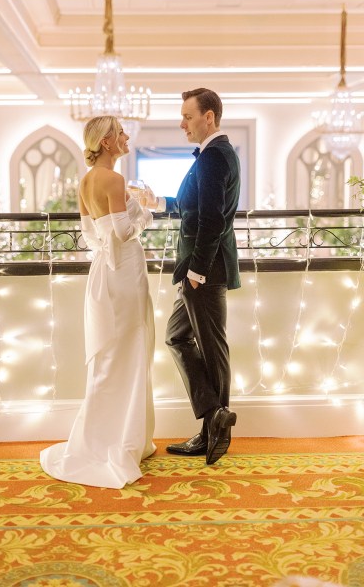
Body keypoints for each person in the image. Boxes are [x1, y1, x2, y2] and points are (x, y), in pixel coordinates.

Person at [40, 116, 156, 488]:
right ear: (106, 142)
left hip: (103, 271)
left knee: (111, 354)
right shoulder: (115, 180)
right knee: (130, 348)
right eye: (120, 133)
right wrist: (146, 214)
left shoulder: (86, 181)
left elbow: (91, 235)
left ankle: (106, 436)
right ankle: (122, 439)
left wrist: (127, 214)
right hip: (124, 270)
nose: (126, 137)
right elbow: (123, 232)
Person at [147, 88, 240, 465]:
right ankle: (214, 418)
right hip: (201, 267)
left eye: (187, 116)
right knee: (178, 336)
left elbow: (213, 219)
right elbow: (196, 207)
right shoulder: (215, 155)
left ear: (209, 117)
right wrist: (159, 203)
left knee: (211, 345)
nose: (181, 123)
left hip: (204, 269)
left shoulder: (213, 157)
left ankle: (214, 429)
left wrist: (198, 271)